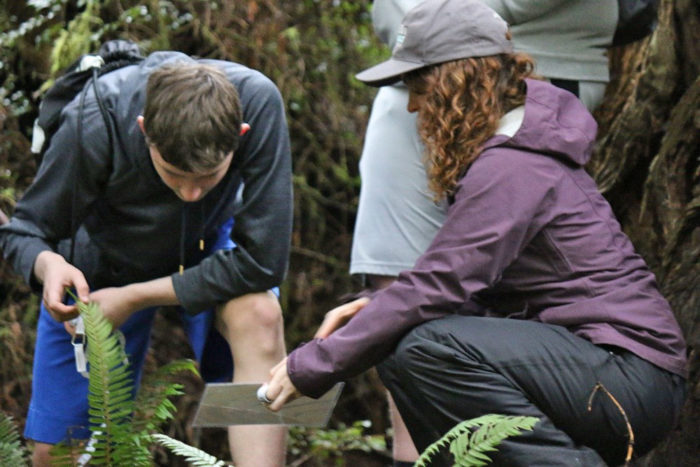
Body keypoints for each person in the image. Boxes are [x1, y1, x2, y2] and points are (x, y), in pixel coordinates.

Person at [264, 0, 688, 465]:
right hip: (597, 370)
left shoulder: (513, 165)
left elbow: (440, 284)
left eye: (418, 85)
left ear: (457, 82)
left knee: (426, 348)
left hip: (626, 375)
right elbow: (461, 291)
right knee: (407, 346)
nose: (413, 104)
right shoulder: (508, 154)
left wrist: (313, 367)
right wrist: (378, 308)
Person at [350, 0, 618, 464]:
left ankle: (436, 453)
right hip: (430, 53)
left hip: (537, 51)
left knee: (417, 313)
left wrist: (439, 15)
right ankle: (421, 453)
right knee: (403, 308)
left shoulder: (516, 155)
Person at [0, 49, 292, 467]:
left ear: (241, 135)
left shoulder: (260, 101)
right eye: (173, 173)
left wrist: (134, 297)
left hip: (212, 249)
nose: (191, 193)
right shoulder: (94, 123)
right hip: (105, 258)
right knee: (57, 453)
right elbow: (26, 230)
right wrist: (48, 265)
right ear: (143, 131)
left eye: (208, 177)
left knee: (260, 316)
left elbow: (263, 262)